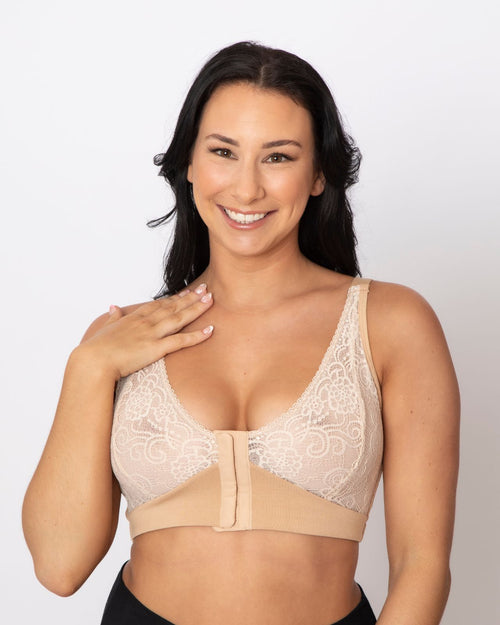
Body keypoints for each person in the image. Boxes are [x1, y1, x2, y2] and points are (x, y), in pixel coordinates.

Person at [22, 41, 460, 625]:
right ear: (189, 163)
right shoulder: (120, 338)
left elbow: (421, 564)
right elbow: (58, 568)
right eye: (223, 152)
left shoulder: (390, 323)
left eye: (277, 157)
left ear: (318, 174)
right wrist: (89, 367)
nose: (247, 189)